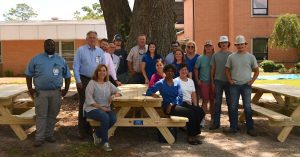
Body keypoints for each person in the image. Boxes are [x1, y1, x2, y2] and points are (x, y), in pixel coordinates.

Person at [73, 31, 120, 139]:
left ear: (96, 39)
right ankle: (83, 132)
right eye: (90, 37)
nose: (92, 39)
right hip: (84, 80)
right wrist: (78, 80)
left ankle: (96, 129)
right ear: (87, 39)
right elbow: (76, 67)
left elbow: (104, 67)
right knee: (85, 104)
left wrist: (105, 79)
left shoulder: (100, 51)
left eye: (94, 38)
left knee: (97, 102)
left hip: (97, 80)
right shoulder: (81, 50)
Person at [25, 39, 71, 147]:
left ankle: (49, 135)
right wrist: (30, 89)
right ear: (44, 46)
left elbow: (67, 76)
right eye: (47, 44)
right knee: (41, 115)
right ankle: (39, 137)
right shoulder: (36, 59)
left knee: (52, 115)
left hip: (56, 92)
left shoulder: (61, 60)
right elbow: (28, 74)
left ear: (55, 46)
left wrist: (66, 89)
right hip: (41, 93)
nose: (50, 46)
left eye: (52, 44)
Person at [146, 64, 203, 145]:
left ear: (174, 73)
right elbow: (149, 91)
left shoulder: (177, 82)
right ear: (164, 72)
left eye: (172, 71)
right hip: (167, 107)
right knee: (191, 113)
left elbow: (180, 96)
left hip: (177, 103)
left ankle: (192, 131)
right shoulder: (161, 83)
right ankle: (191, 136)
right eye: (168, 71)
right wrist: (153, 94)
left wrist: (172, 103)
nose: (170, 73)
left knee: (199, 110)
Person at [225, 35, 259, 136]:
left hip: (246, 85)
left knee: (247, 107)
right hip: (234, 85)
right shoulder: (231, 57)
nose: (240, 46)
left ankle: (250, 128)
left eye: (242, 44)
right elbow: (226, 69)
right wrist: (230, 80)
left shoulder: (251, 57)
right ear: (236, 45)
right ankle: (233, 127)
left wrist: (251, 81)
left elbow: (257, 71)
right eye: (238, 44)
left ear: (245, 44)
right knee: (233, 107)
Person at [84, 64, 122, 152]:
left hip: (105, 108)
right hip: (91, 108)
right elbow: (89, 100)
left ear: (106, 72)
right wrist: (101, 108)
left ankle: (97, 134)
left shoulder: (108, 83)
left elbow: (119, 91)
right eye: (100, 70)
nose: (102, 72)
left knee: (113, 119)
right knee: (105, 117)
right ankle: (105, 143)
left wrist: (114, 95)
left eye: (104, 70)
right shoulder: (92, 83)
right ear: (96, 72)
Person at [209, 36, 232, 130]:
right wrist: (212, 82)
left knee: (230, 103)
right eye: (222, 43)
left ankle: (233, 123)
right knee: (217, 103)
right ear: (219, 44)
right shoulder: (215, 55)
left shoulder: (232, 55)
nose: (223, 44)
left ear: (228, 44)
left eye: (225, 42)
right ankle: (216, 123)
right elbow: (212, 69)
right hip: (218, 81)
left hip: (229, 82)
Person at [194, 40, 215, 124]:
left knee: (213, 100)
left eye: (210, 46)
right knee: (205, 100)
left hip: (214, 83)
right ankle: (202, 119)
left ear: (212, 47)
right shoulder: (200, 58)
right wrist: (197, 80)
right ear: (204, 47)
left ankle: (213, 119)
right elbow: (196, 69)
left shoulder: (215, 57)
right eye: (206, 46)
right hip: (204, 82)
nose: (208, 48)